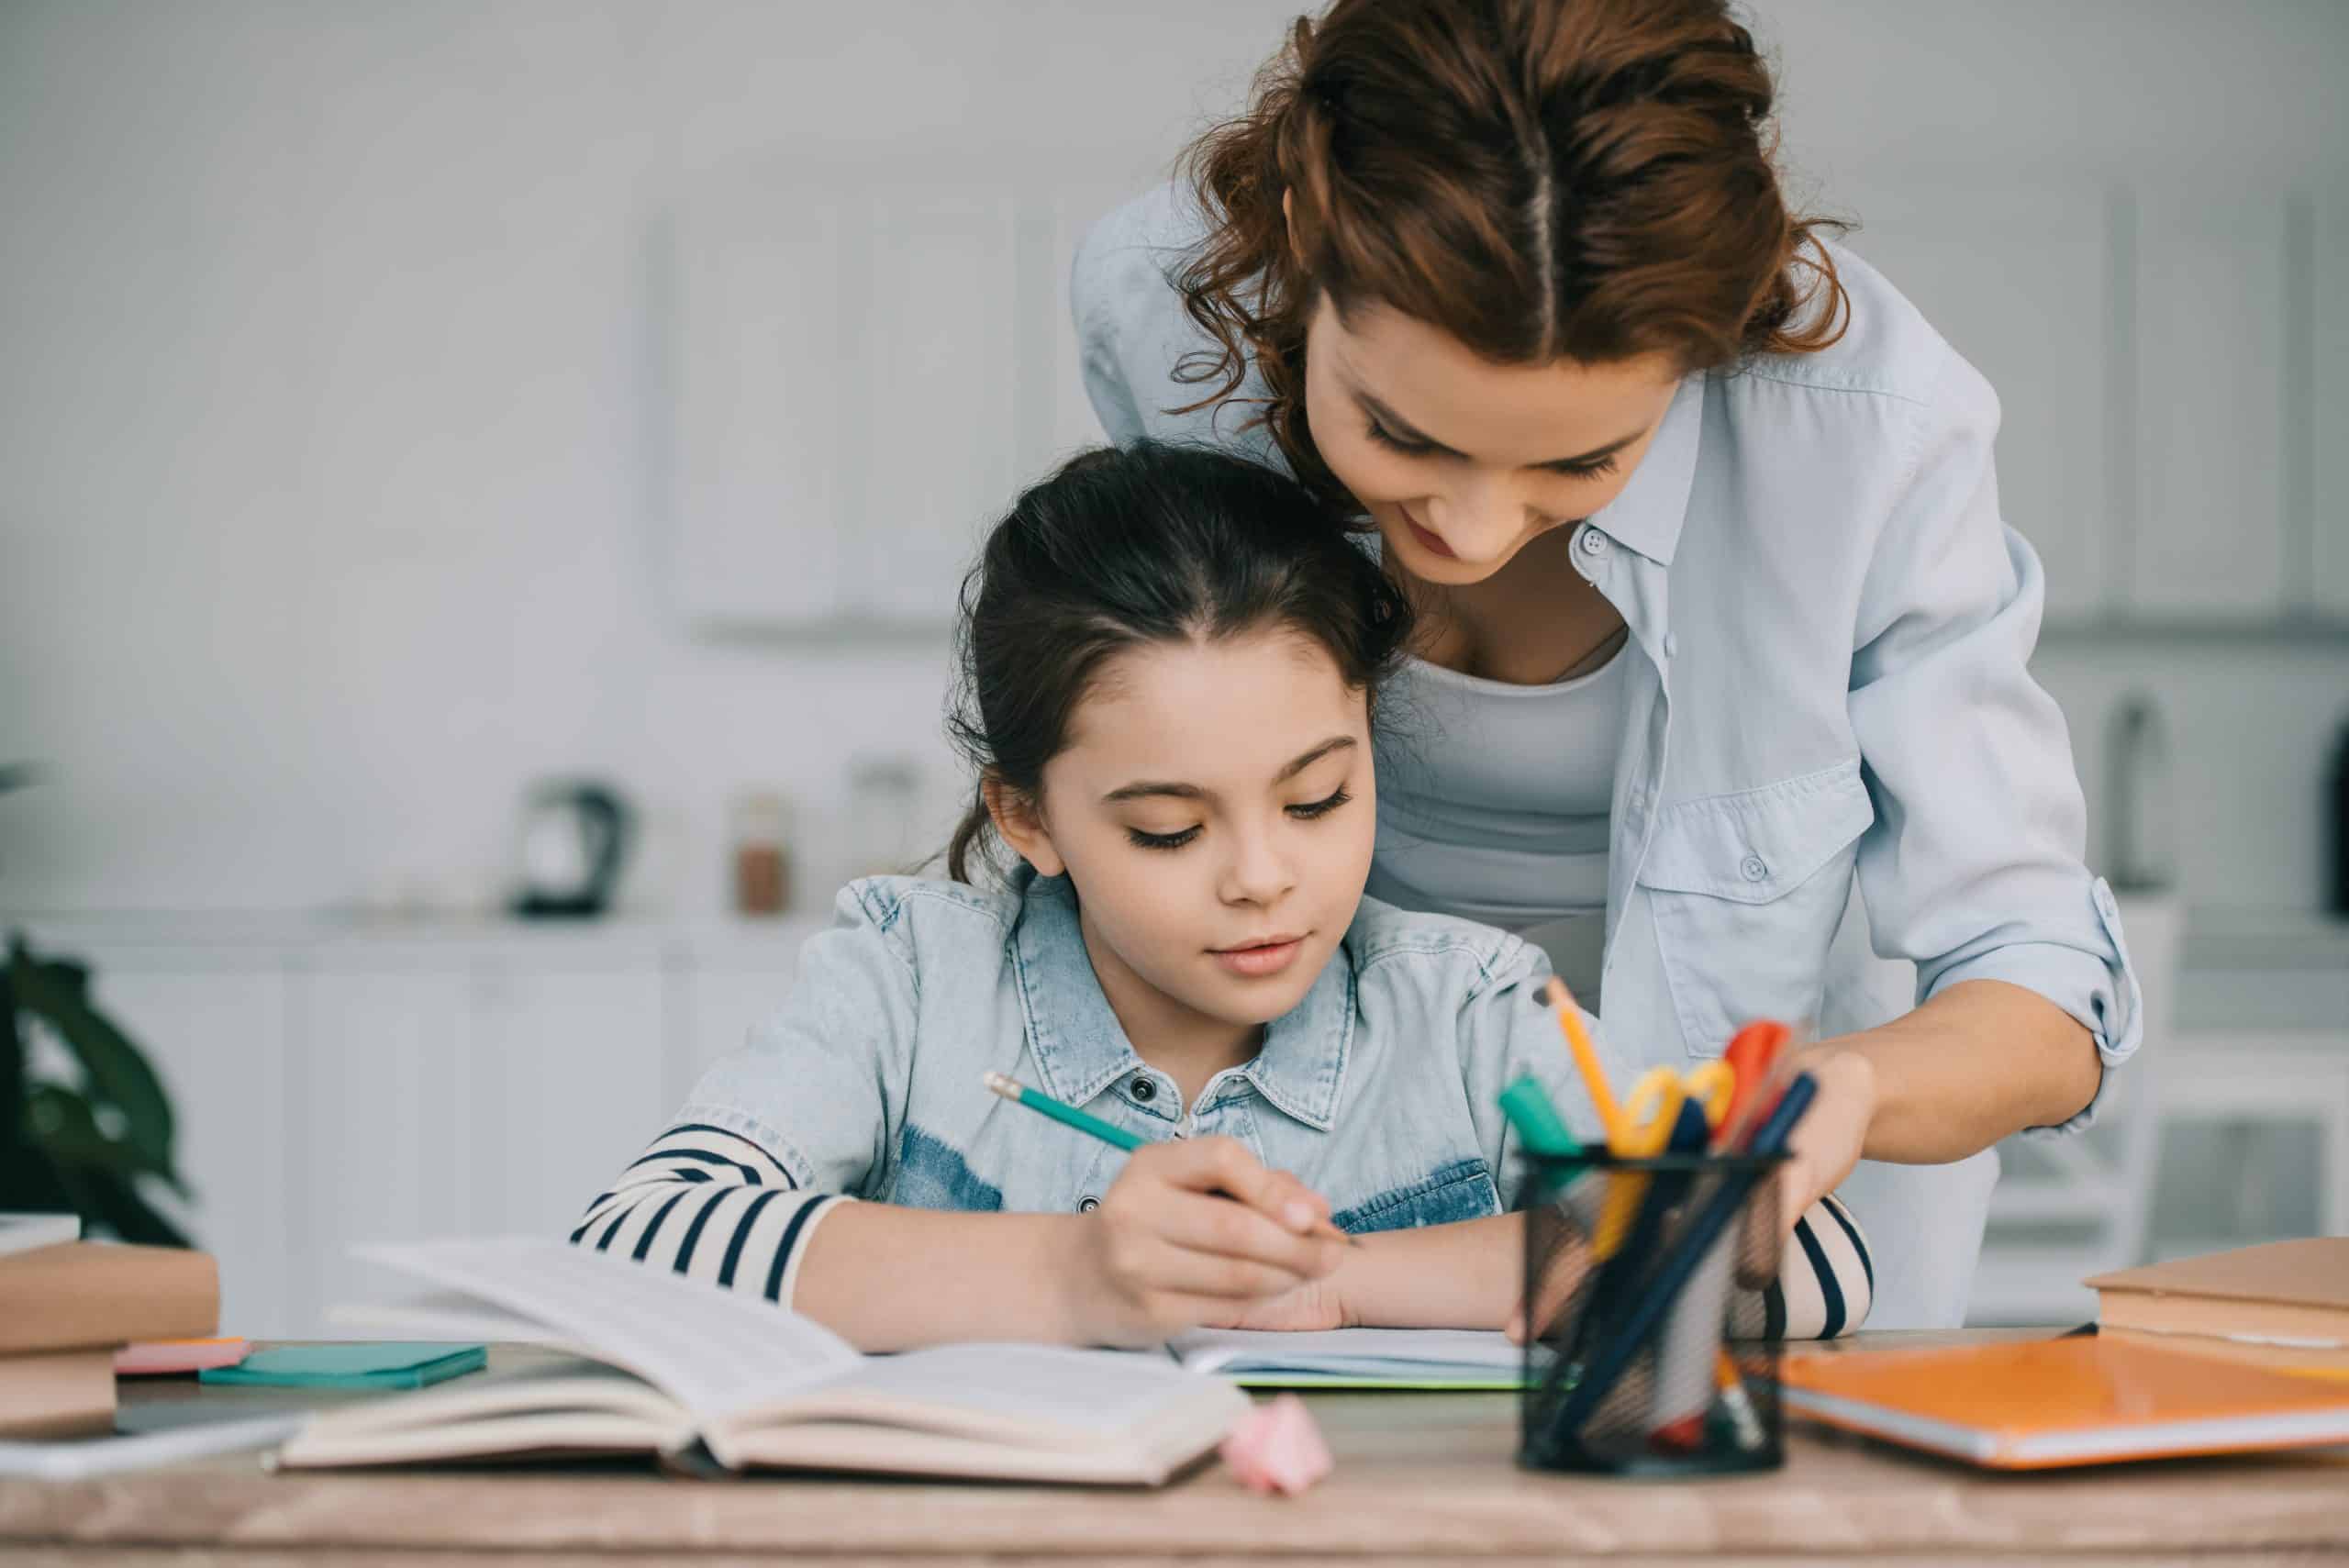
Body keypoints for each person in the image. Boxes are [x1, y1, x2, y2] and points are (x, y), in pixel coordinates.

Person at [1070, 0, 2141, 1329]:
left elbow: (2039, 983)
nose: (1468, 529)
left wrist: (1844, 1091)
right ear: (1302, 238)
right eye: (1400, 433)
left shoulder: (1870, 440)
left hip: (1772, 1271)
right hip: (1333, 1225)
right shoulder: (1166, 324)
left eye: (1577, 462)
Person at [572, 443, 1870, 1349]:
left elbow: (1801, 1263)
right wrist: (1076, 1273)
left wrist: (1347, 1281)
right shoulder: (911, 977)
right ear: (1027, 814)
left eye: (1316, 799)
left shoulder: (1468, 1008)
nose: (1265, 876)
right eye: (1167, 826)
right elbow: (632, 1243)